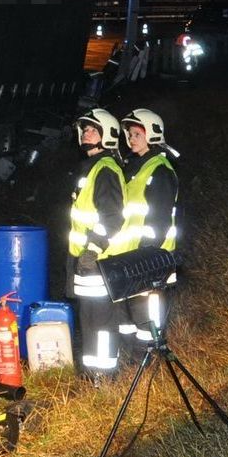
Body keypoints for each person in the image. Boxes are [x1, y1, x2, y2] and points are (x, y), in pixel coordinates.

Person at [68, 107, 134, 377]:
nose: (86, 133)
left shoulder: (105, 169)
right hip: (89, 263)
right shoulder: (94, 167)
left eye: (93, 130)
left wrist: (93, 249)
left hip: (100, 262)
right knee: (90, 321)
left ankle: (104, 377)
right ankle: (91, 375)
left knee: (102, 323)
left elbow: (112, 216)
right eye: (85, 129)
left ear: (107, 135)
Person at [118, 107, 180, 344]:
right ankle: (131, 357)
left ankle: (152, 355)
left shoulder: (160, 170)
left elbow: (159, 218)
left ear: (152, 134)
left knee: (148, 316)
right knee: (131, 315)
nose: (131, 139)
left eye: (137, 134)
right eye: (130, 134)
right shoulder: (135, 167)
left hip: (151, 256)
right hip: (132, 254)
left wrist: (147, 252)